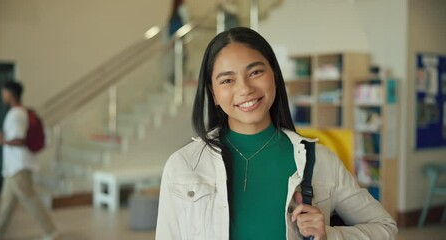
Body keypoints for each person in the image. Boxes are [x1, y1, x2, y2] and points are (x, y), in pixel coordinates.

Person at [155, 27, 397, 240]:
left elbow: (385, 228)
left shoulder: (320, 160)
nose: (245, 89)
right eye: (227, 80)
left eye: (255, 72)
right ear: (214, 93)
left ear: (275, 76)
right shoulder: (183, 165)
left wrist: (329, 235)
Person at [0, 82, 60, 240]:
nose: (2, 96)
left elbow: (20, 140)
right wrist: (4, 136)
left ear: (11, 94)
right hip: (13, 167)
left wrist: (1, 141)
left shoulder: (16, 114)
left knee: (30, 200)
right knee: (6, 203)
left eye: (4, 93)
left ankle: (51, 231)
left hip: (19, 167)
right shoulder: (21, 112)